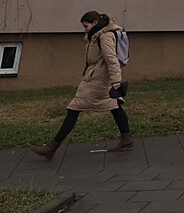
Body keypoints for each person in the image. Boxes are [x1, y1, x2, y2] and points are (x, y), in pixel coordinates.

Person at [32, 10, 132, 158]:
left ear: (95, 23)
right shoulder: (95, 36)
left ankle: (52, 147)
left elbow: (111, 60)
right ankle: (127, 138)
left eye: (86, 26)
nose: (85, 29)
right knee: (114, 105)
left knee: (74, 108)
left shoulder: (104, 36)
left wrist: (116, 80)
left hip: (98, 79)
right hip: (95, 77)